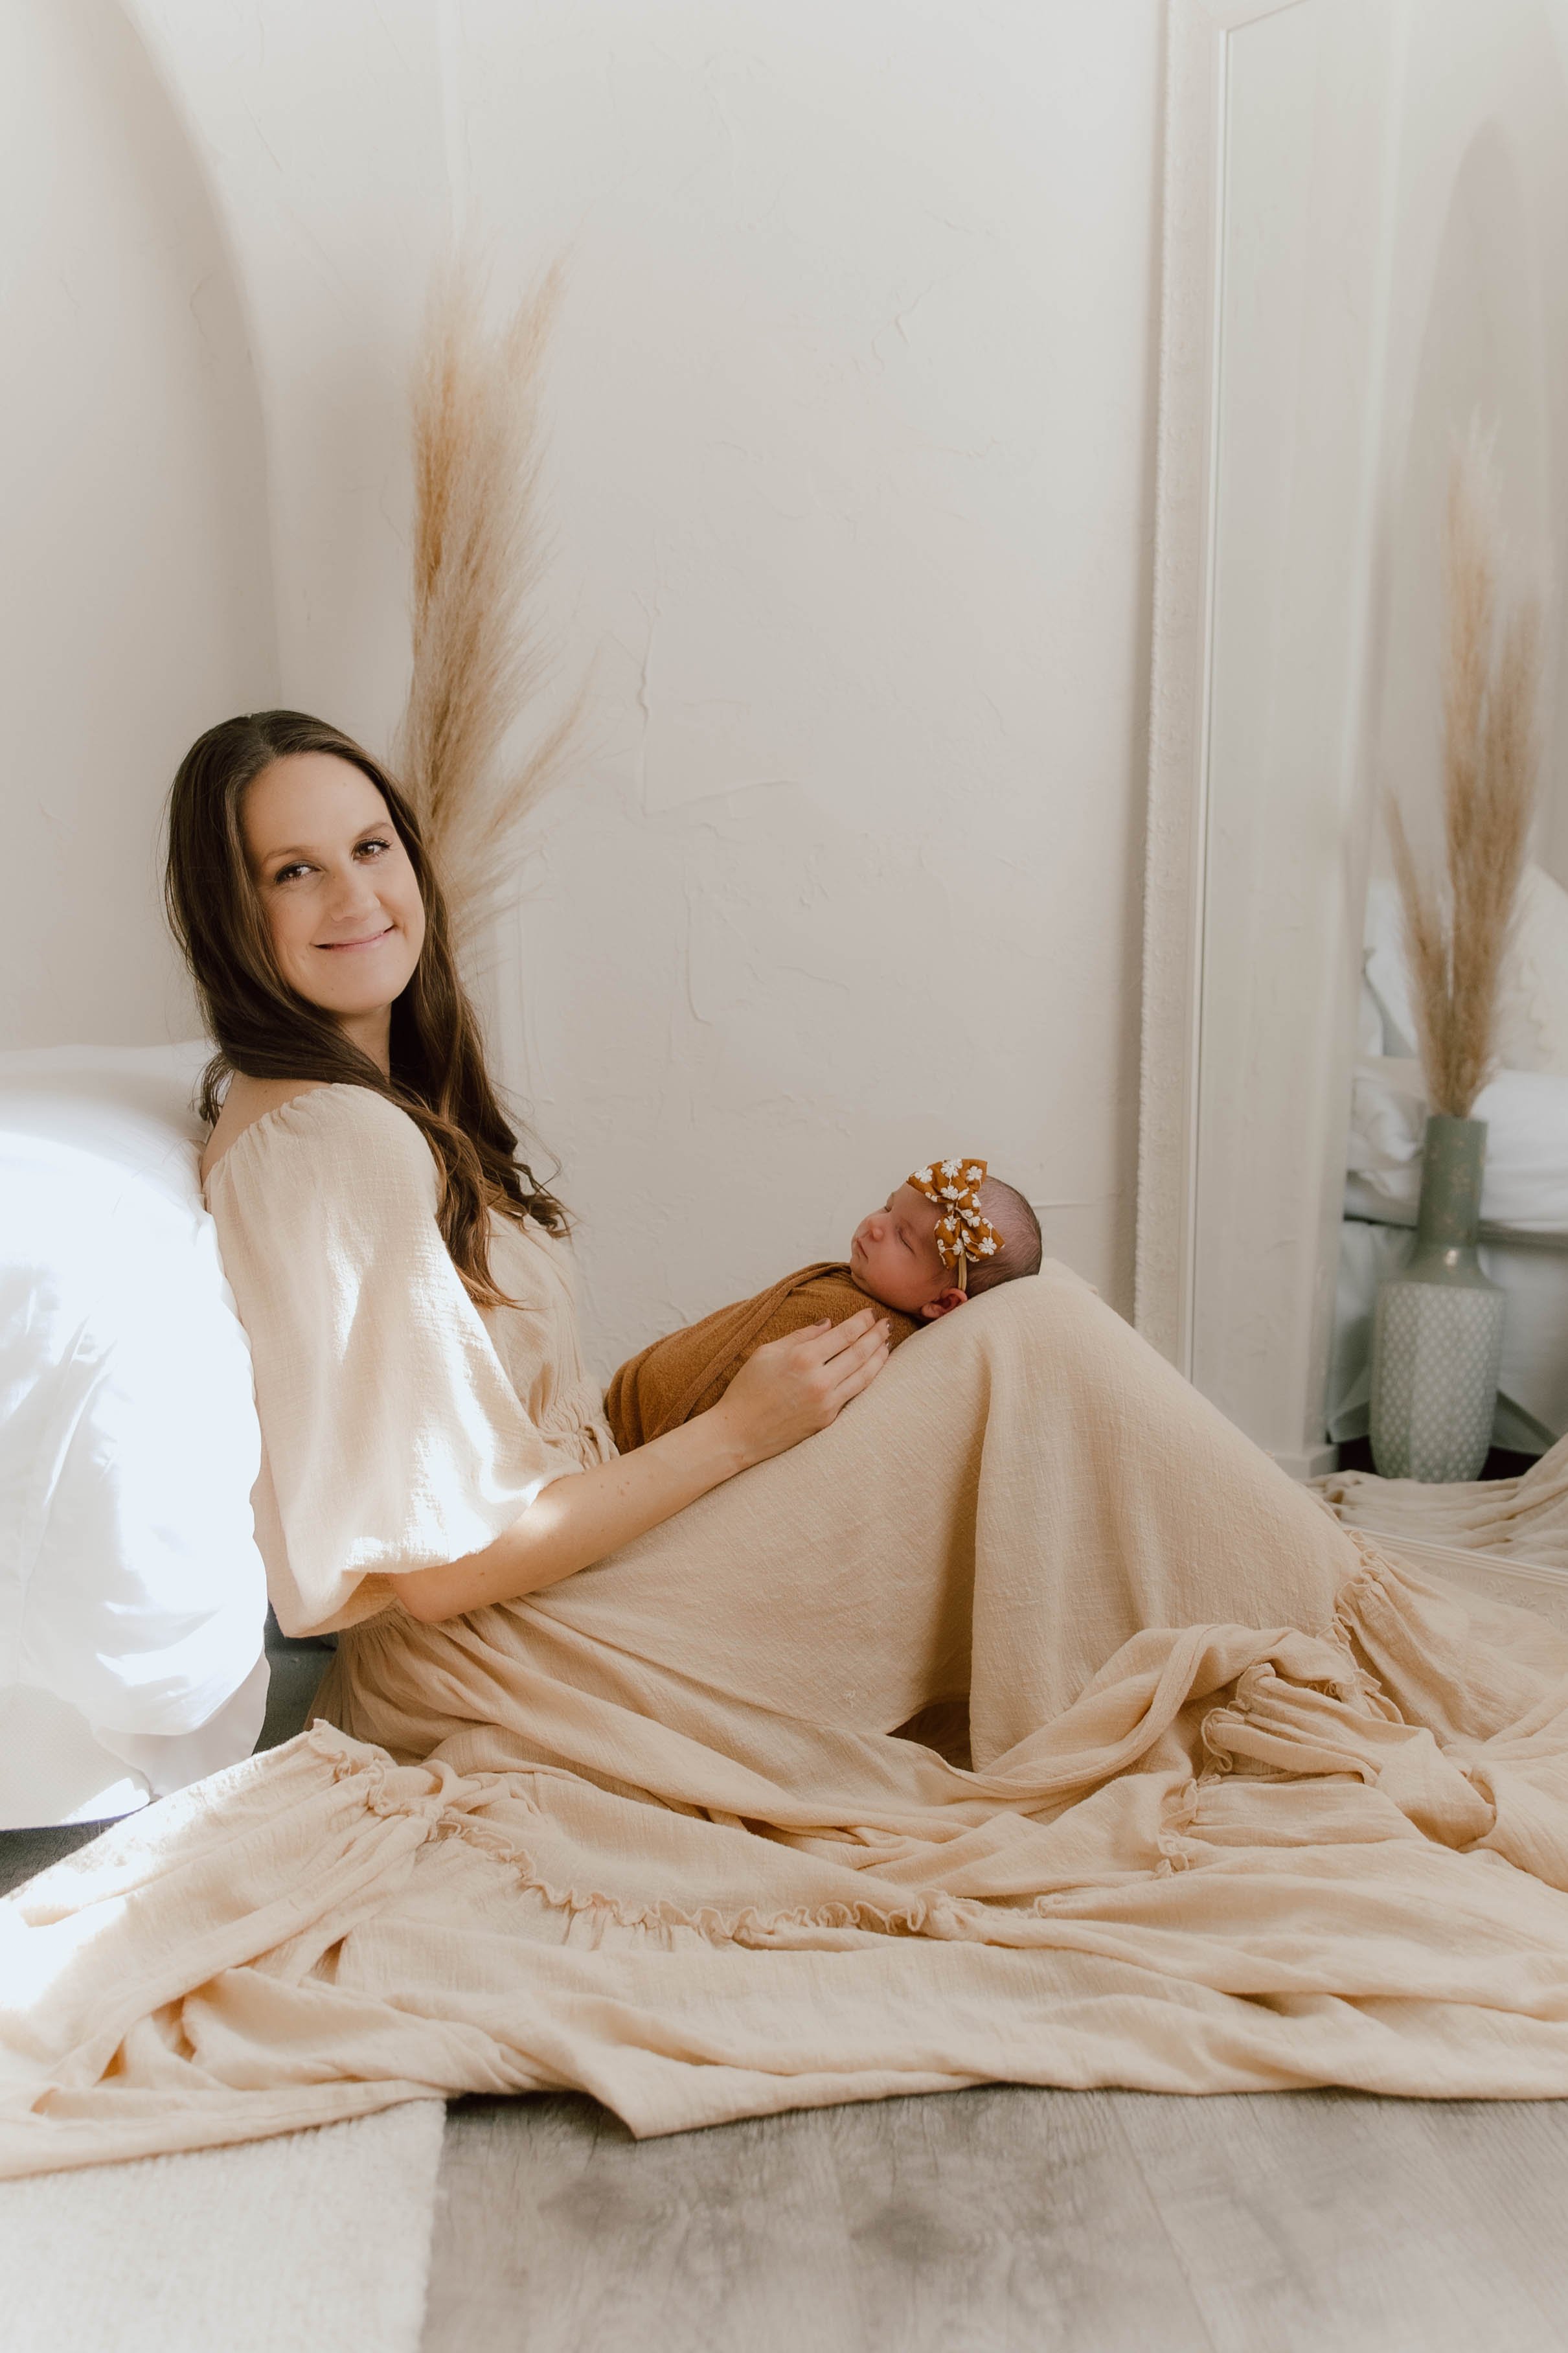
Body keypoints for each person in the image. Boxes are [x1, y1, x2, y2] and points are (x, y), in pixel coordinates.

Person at [6, 706, 1568, 2180]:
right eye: (294, 867)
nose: (355, 891)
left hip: (568, 1577)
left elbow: (506, 1413)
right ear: (232, 915)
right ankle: (1379, 1642)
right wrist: (747, 1429)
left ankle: (1335, 1614)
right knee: (1032, 1337)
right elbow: (436, 1567)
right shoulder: (336, 1142)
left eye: (370, 845)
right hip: (519, 1649)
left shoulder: (364, 1101)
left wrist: (720, 1397)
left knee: (989, 1337)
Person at [604, 1158, 1043, 1451]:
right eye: (887, 1208)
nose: (875, 1226)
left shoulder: (868, 1339)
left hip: (649, 1441)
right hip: (618, 1417)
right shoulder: (851, 1287)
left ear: (944, 1304)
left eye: (903, 1237)